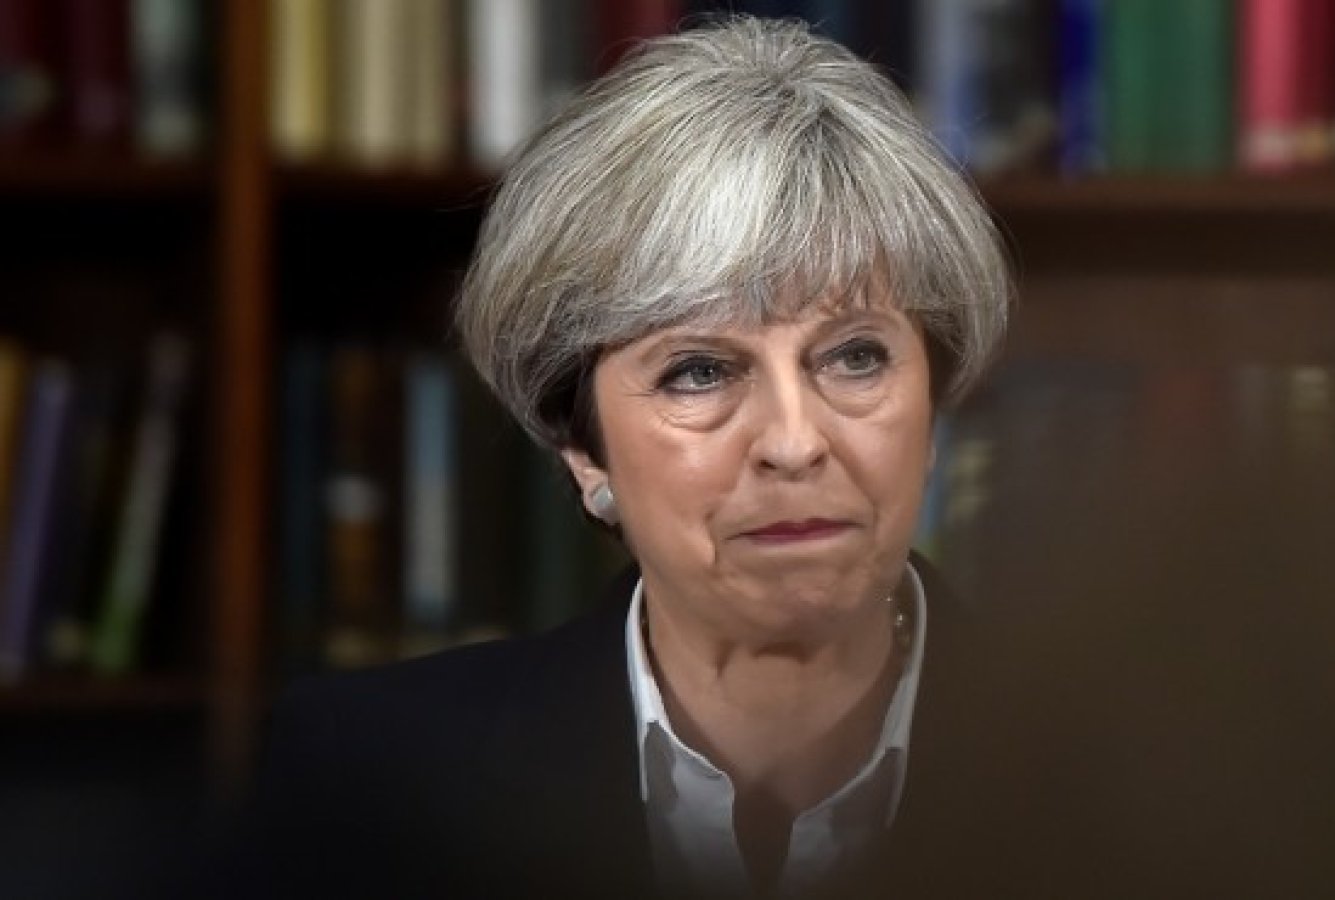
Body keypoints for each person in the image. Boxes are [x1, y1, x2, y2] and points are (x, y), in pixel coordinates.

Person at [241, 16, 1010, 900]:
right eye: (699, 372)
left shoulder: (1122, 770)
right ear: (581, 447)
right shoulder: (363, 778)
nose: (794, 443)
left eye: (856, 357)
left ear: (931, 404)